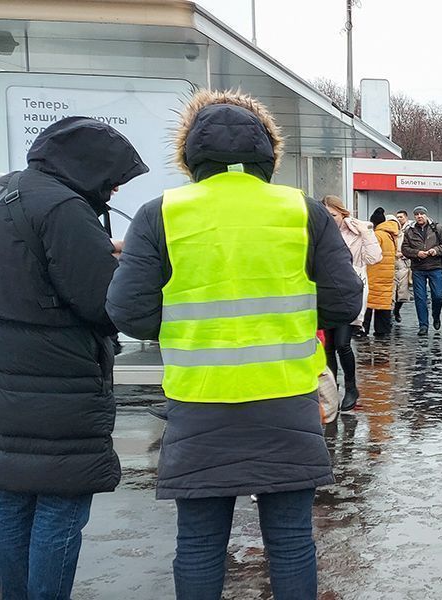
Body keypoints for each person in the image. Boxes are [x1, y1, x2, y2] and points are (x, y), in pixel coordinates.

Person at [106, 89, 363, 600]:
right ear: (270, 156)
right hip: (287, 399)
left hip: (199, 400)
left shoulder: (161, 213)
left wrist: (193, 328)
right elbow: (342, 302)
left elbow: (128, 311)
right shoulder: (302, 212)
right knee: (290, 543)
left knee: (200, 545)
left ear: (190, 156)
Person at [0, 117, 147, 599]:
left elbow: (16, 271)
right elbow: (101, 302)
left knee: (15, 501)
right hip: (52, 379)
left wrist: (98, 249)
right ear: (88, 166)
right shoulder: (64, 207)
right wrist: (125, 265)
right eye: (113, 177)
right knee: (61, 504)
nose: (114, 189)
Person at [322, 195, 379, 409]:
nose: (330, 218)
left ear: (342, 213)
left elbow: (374, 258)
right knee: (328, 345)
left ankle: (351, 387)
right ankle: (331, 389)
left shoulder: (355, 232)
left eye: (334, 214)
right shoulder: (320, 232)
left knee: (342, 343)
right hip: (326, 291)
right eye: (326, 215)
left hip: (348, 292)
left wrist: (366, 232)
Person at [400, 206, 442, 336]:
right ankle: (423, 325)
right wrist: (417, 253)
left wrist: (435, 250)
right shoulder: (409, 231)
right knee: (420, 298)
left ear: (426, 215)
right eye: (416, 214)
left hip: (435, 267)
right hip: (418, 269)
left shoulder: (437, 228)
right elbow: (405, 249)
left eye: (421, 214)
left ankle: (436, 315)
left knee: (439, 295)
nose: (419, 216)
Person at [364, 213, 402, 338]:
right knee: (384, 302)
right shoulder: (390, 235)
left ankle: (363, 328)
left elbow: (371, 254)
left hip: (374, 273)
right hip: (387, 273)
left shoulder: (377, 235)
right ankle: (382, 330)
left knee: (368, 301)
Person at [391, 211, 413, 322]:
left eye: (401, 217)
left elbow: (411, 249)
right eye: (397, 217)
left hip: (403, 266)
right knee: (391, 292)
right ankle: (390, 313)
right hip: (391, 266)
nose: (399, 219)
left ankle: (397, 311)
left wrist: (404, 254)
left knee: (402, 293)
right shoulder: (390, 234)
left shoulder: (407, 233)